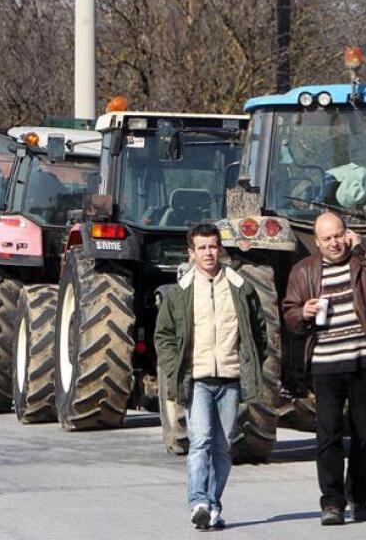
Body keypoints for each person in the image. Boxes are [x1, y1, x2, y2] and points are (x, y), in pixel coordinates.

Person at [281, 212, 366, 525]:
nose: (334, 243)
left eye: (338, 236)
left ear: (347, 234)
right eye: (327, 239)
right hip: (325, 364)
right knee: (328, 436)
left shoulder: (363, 262)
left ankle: (358, 497)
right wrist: (303, 312)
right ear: (317, 242)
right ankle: (331, 503)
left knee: (365, 437)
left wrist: (363, 251)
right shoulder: (304, 270)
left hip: (363, 360)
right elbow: (289, 314)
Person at [154, 222, 266, 531]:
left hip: (230, 378)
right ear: (191, 253)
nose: (208, 252)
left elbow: (259, 331)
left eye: (213, 246)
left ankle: (214, 505)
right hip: (199, 379)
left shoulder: (241, 288)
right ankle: (198, 502)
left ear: (221, 249)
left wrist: (253, 362)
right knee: (200, 441)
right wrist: (173, 363)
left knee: (224, 446)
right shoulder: (181, 293)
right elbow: (162, 335)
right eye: (202, 247)